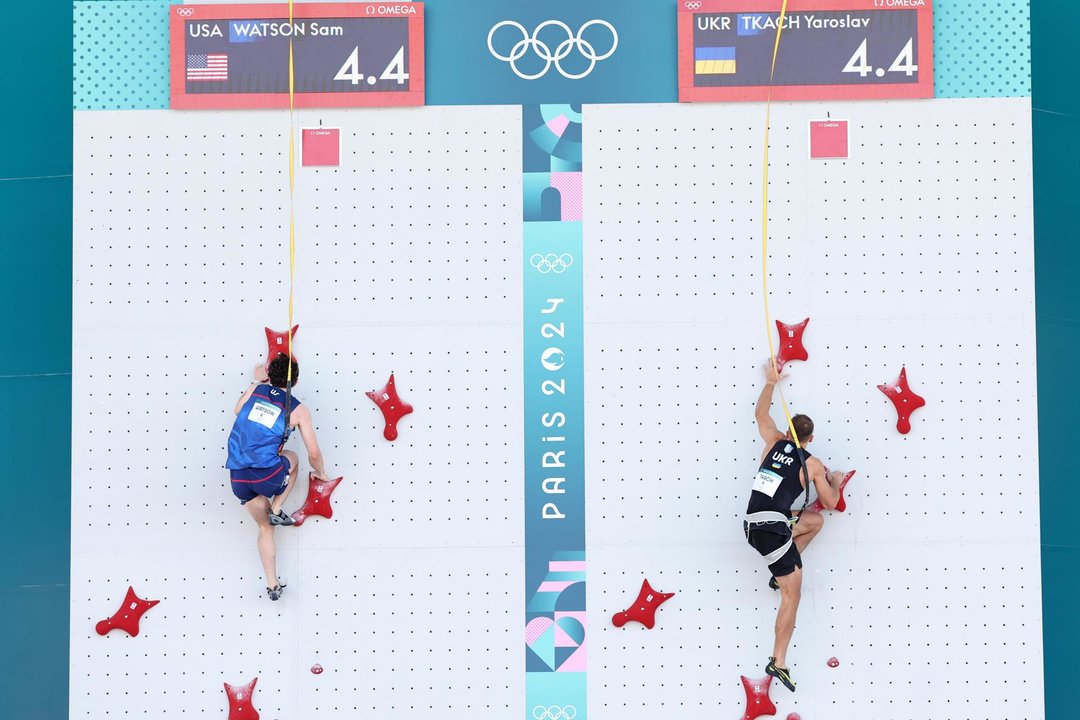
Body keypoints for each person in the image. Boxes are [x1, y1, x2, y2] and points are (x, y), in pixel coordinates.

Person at [744, 360, 844, 692]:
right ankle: (779, 661)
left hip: (754, 523)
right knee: (793, 594)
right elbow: (830, 502)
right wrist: (836, 481)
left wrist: (770, 382)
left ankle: (778, 573)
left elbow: (761, 415)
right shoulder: (812, 463)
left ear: (788, 433)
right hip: (772, 529)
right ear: (810, 437)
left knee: (812, 522)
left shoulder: (773, 441)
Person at [226, 354, 328, 600]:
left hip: (238, 479)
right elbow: (313, 451)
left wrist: (256, 381)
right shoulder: (298, 409)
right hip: (267, 475)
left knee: (264, 527)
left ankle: (272, 585)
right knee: (293, 458)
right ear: (297, 380)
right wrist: (321, 472)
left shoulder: (257, 391)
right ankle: (278, 507)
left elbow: (238, 409)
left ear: (270, 376)